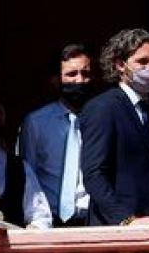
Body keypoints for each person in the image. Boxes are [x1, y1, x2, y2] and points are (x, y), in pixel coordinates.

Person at [78, 29, 149, 226]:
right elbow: (94, 174)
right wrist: (126, 220)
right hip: (118, 231)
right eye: (143, 62)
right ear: (120, 65)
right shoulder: (103, 107)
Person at [16, 43, 99, 228]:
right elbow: (28, 173)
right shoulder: (36, 122)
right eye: (71, 74)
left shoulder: (102, 120)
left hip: (93, 221)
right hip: (49, 221)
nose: (79, 80)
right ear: (56, 80)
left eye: (85, 74)